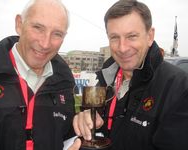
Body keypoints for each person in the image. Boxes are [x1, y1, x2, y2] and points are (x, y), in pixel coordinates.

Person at [69, 0, 188, 150]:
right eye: (114, 37)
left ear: (150, 36)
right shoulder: (102, 80)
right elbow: (92, 136)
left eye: (131, 36)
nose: (122, 48)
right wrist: (84, 122)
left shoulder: (178, 88)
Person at [0, 0, 76, 150]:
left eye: (57, 34)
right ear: (19, 24)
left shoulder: (65, 83)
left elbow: (66, 136)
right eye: (38, 28)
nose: (45, 44)